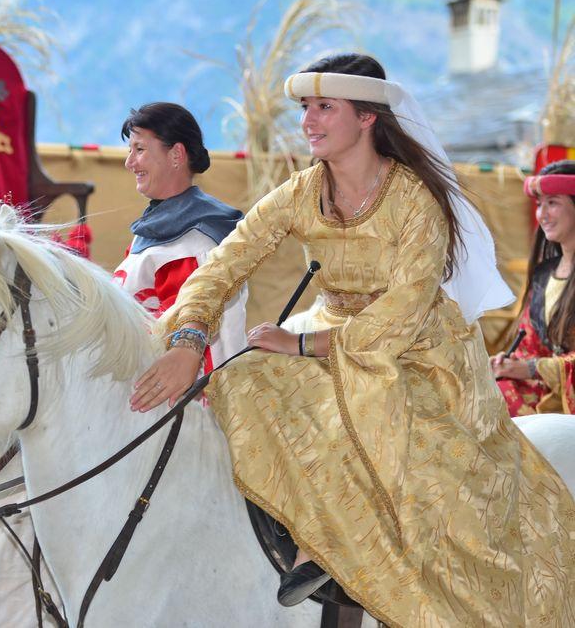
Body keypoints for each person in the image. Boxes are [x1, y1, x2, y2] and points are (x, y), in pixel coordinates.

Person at [129, 53, 575, 626]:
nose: (308, 120)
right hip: (331, 329)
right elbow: (222, 266)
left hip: (418, 350)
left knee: (377, 405)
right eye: (305, 108)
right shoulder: (300, 192)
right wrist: (188, 341)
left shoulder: (417, 201)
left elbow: (402, 313)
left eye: (324, 107)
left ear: (367, 118)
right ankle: (313, 531)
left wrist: (304, 346)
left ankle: (363, 556)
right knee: (238, 375)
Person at [114, 102, 247, 370]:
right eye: (130, 151)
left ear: (176, 154)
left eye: (139, 150)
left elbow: (193, 356)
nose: (130, 162)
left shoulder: (192, 244)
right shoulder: (160, 230)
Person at [493, 160, 575, 416]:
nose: (542, 214)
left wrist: (531, 368)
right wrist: (510, 363)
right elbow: (530, 346)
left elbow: (536, 364)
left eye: (553, 202)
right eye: (539, 204)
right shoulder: (543, 273)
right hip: (542, 391)